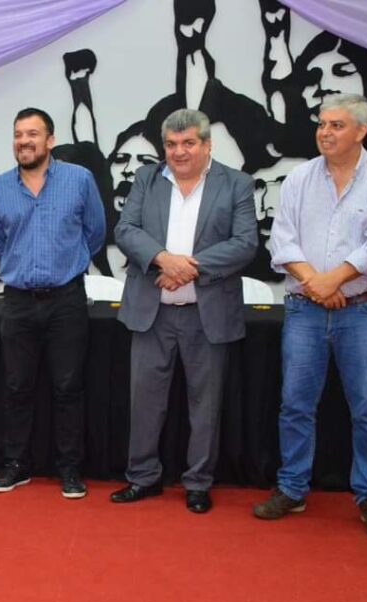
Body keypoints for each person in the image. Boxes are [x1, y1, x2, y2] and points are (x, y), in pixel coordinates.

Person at [254, 93, 367, 539]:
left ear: (361, 131)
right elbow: (283, 240)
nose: (324, 132)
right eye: (322, 124)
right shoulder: (300, 177)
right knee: (295, 403)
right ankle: (292, 488)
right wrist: (316, 283)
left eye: (336, 125)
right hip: (305, 308)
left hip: (365, 310)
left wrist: (332, 280)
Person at [110, 109, 257, 513]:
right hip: (151, 313)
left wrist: (187, 267)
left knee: (205, 405)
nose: (179, 152)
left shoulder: (237, 183)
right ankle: (142, 477)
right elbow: (126, 230)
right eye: (172, 144)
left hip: (207, 315)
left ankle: (198, 483)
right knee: (144, 402)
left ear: (207, 145)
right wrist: (163, 259)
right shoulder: (146, 178)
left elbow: (245, 243)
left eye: (189, 143)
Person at [0, 107, 106, 498]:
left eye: (32, 134)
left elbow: (96, 232)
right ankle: (16, 465)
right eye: (18, 134)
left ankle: (69, 468)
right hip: (18, 301)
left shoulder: (79, 179)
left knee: (68, 386)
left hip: (66, 299)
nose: (24, 141)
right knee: (17, 386)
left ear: (50, 140)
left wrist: (67, 263)